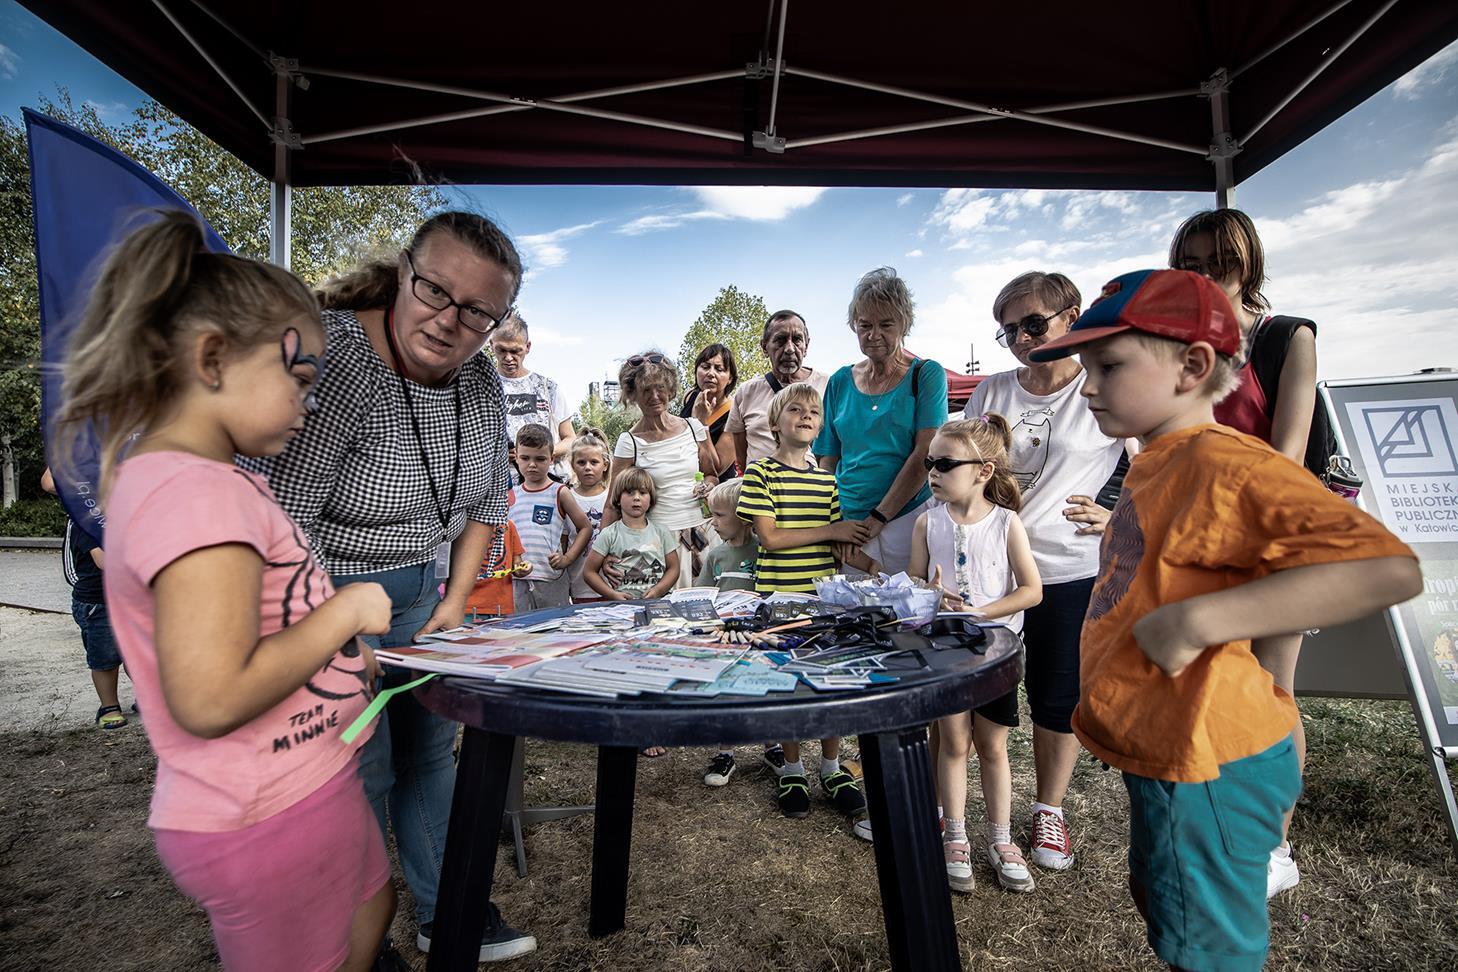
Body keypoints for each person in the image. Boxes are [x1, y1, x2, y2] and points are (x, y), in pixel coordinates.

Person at [1027, 267, 1420, 972]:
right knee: (1167, 905)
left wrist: (1201, 621)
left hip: (1210, 759)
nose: (1087, 387)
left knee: (1207, 949)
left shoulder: (1222, 460)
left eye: (1108, 366)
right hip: (1174, 752)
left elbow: (1385, 570)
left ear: (1194, 366)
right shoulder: (1158, 460)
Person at [53, 210, 397, 971]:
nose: (308, 409)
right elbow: (209, 698)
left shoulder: (193, 481)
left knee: (374, 903)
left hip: (302, 785)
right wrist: (346, 608)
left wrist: (337, 660)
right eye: (298, 379)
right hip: (265, 814)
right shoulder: (197, 496)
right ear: (212, 359)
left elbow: (267, 616)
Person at [251, 211, 533, 961]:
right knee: (354, 770)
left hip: (419, 593)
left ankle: (450, 911)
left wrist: (450, 605)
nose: (449, 321)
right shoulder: (337, 357)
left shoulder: (478, 380)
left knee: (429, 754)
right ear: (404, 270)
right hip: (321, 590)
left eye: (477, 311)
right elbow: (284, 523)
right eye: (434, 290)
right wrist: (335, 628)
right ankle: (351, 941)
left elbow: (481, 505)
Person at [1170, 208, 1320, 897]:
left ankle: (1275, 846)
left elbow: (1288, 452)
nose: (1204, 275)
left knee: (1271, 691)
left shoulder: (1288, 336)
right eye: (1190, 263)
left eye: (1217, 262)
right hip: (1198, 544)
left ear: (1246, 262)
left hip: (1274, 542)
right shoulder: (1178, 343)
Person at [960, 270, 1129, 873]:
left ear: (1073, 314)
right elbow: (964, 464)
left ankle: (1048, 812)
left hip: (1069, 569)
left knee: (1058, 696)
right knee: (982, 693)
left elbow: (1156, 465)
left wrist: (1114, 519)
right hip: (992, 570)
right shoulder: (994, 390)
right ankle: (965, 816)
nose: (1023, 339)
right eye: (1009, 331)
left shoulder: (1103, 382)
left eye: (1034, 323)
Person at [908, 416, 1042, 893]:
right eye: (930, 463)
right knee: (953, 743)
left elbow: (1032, 591)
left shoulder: (1008, 524)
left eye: (945, 463)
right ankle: (956, 834)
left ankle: (1001, 838)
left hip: (996, 656)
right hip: (945, 653)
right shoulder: (927, 522)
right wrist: (929, 594)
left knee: (992, 746)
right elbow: (916, 587)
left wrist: (984, 612)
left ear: (983, 471)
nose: (933, 472)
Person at [739, 383, 873, 821]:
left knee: (828, 682)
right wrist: (832, 532)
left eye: (813, 411)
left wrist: (875, 570)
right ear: (774, 423)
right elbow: (771, 538)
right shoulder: (760, 474)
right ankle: (792, 769)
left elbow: (840, 546)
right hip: (778, 603)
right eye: (794, 409)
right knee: (788, 685)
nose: (806, 415)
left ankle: (832, 768)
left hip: (823, 603)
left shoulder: (826, 481)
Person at [815, 268, 947, 574]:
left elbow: (925, 453)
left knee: (906, 610)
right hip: (849, 523)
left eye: (886, 324)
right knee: (853, 612)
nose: (874, 335)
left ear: (904, 324)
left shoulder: (925, 374)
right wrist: (833, 520)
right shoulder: (839, 381)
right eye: (865, 325)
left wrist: (879, 516)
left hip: (907, 517)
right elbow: (828, 459)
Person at [603, 352, 720, 584]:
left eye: (660, 387)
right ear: (633, 394)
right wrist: (604, 551)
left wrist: (708, 486)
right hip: (660, 543)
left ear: (670, 388)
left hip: (705, 534)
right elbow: (613, 503)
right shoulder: (630, 442)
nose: (655, 396)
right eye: (646, 390)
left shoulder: (693, 427)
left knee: (710, 611)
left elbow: (711, 475)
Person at [41, 467, 130, 729]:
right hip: (97, 601)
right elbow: (104, 561)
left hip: (129, 598)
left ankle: (148, 698)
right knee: (105, 658)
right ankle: (108, 705)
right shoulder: (86, 521)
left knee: (141, 654)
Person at [696, 478, 760, 789]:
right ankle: (725, 752)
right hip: (724, 637)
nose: (713, 522)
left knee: (762, 689)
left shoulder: (763, 550)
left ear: (744, 515)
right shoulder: (715, 555)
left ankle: (772, 745)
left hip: (758, 636)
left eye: (720, 515)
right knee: (726, 692)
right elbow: (702, 594)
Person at [728, 310, 829, 469]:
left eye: (797, 340)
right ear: (764, 347)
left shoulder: (828, 385)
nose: (789, 349)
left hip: (810, 491)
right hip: (759, 490)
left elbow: (833, 451)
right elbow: (741, 456)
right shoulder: (746, 392)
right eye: (780, 340)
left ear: (806, 345)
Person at [509, 423, 594, 612]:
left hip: (551, 578)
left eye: (540, 459)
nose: (532, 464)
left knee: (555, 631)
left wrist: (568, 558)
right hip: (517, 580)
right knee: (521, 633)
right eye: (525, 458)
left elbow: (586, 528)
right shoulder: (511, 495)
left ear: (551, 459)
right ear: (516, 456)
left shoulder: (559, 492)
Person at [491, 312, 577, 468]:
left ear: (527, 347)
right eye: (501, 350)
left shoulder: (547, 387)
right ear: (491, 345)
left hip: (544, 485)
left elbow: (570, 439)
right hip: (499, 486)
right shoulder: (482, 387)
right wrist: (497, 452)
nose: (508, 358)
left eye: (515, 351)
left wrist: (539, 455)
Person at [582, 467, 681, 600]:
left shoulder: (661, 532)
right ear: (617, 498)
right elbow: (589, 572)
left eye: (643, 492)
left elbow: (674, 568)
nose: (636, 498)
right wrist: (612, 594)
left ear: (651, 498)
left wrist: (658, 590)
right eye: (629, 492)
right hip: (623, 606)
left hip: (658, 602)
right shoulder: (609, 534)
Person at [679, 343, 740, 480]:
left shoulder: (735, 414)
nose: (710, 373)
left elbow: (717, 469)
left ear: (730, 378)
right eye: (705, 367)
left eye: (719, 369)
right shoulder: (690, 396)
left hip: (713, 489)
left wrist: (702, 423)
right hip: (683, 479)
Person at [566, 430, 610, 603]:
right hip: (579, 584)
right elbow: (563, 540)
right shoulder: (566, 497)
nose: (588, 468)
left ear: (605, 465)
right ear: (573, 464)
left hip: (611, 583)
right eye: (581, 462)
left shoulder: (612, 498)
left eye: (594, 462)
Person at [465, 519, 526, 619]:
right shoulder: (464, 524)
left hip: (501, 607)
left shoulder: (508, 525)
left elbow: (517, 565)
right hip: (467, 606)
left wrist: (524, 568)